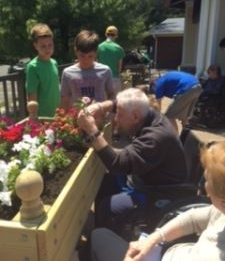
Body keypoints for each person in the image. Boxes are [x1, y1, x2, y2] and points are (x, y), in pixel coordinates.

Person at [91, 141, 225, 261]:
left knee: (99, 236)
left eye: (207, 181)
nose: (205, 189)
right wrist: (153, 239)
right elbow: (194, 219)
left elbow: (118, 163)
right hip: (174, 250)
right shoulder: (221, 211)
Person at [78, 88, 187, 233]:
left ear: (135, 116)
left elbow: (117, 165)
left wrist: (92, 130)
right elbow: (121, 103)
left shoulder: (155, 137)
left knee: (106, 207)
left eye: (120, 115)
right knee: (105, 182)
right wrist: (101, 107)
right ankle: (102, 230)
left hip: (157, 193)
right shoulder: (149, 114)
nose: (116, 119)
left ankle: (106, 241)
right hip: (148, 176)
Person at [61, 30, 115, 110]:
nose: (86, 60)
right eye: (82, 56)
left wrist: (104, 109)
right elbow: (65, 99)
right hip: (76, 119)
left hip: (99, 119)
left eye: (90, 56)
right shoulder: (67, 73)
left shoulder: (105, 70)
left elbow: (111, 95)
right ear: (76, 51)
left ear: (96, 53)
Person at [26, 23, 60, 117]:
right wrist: (34, 117)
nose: (47, 49)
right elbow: (32, 95)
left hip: (57, 114)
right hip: (42, 117)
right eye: (43, 46)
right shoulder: (33, 66)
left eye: (50, 45)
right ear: (35, 46)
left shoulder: (54, 62)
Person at [98, 26, 125, 94]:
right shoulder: (119, 48)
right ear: (116, 36)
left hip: (101, 78)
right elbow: (119, 67)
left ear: (106, 34)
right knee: (115, 102)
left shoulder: (99, 47)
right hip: (114, 78)